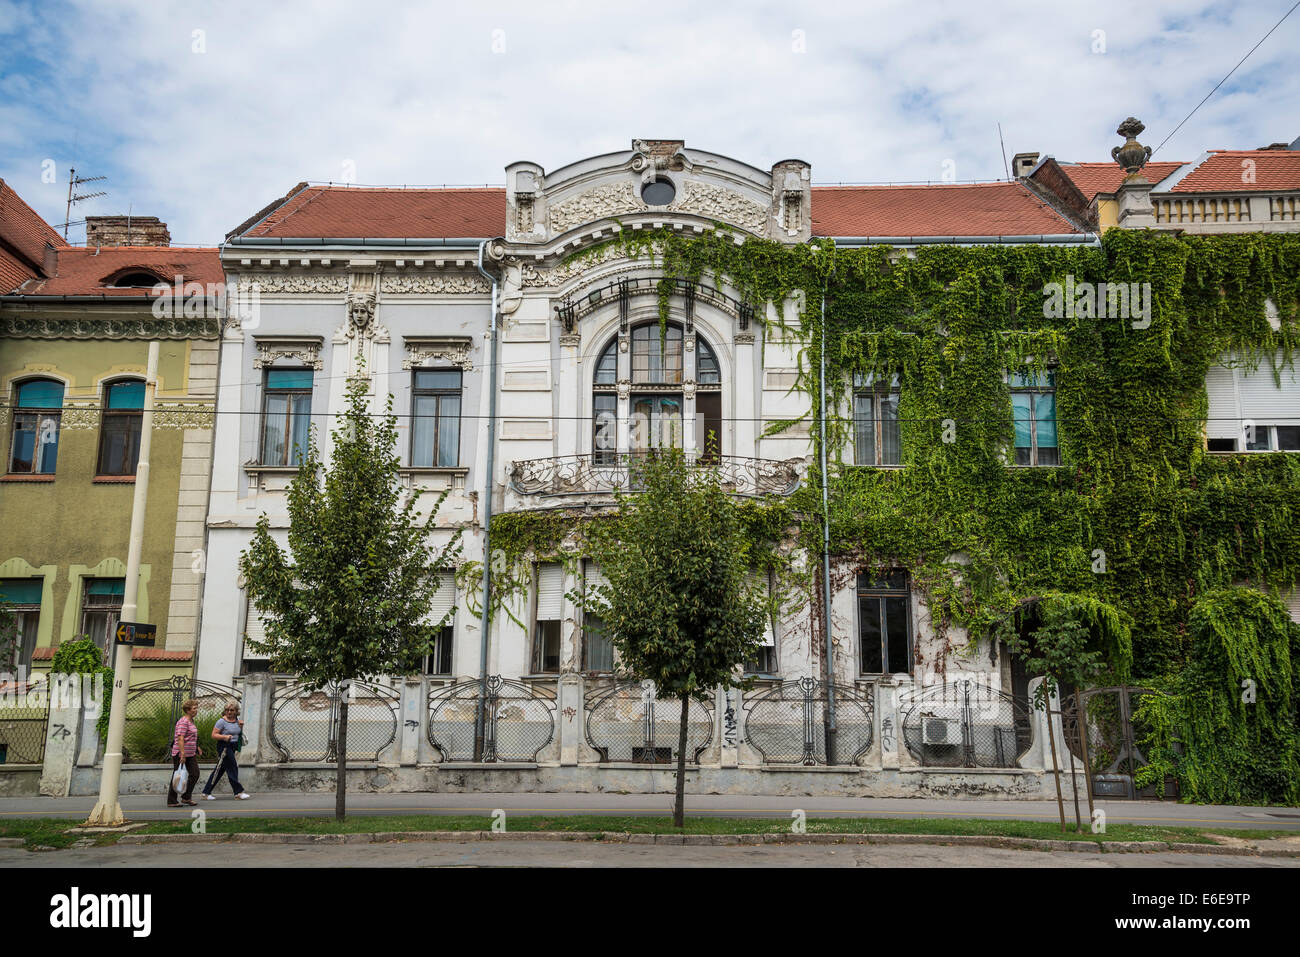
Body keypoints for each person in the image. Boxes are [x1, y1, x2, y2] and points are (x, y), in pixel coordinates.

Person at [202, 701, 252, 800]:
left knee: (220, 770)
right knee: (233, 767)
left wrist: (241, 727)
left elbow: (237, 733)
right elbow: (214, 735)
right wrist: (224, 737)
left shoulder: (237, 721)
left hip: (232, 746)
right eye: (227, 710)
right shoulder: (221, 721)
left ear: (236, 711)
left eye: (231, 710)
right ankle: (238, 792)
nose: (229, 712)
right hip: (224, 746)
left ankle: (206, 792)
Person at [167, 699, 203, 807]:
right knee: (177, 776)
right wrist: (182, 754)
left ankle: (186, 797)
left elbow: (190, 737)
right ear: (188, 710)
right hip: (181, 753)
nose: (196, 710)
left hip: (190, 753)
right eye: (194, 708)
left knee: (195, 774)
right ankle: (171, 801)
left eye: (197, 708)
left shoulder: (191, 721)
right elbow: (180, 738)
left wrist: (197, 747)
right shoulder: (183, 722)